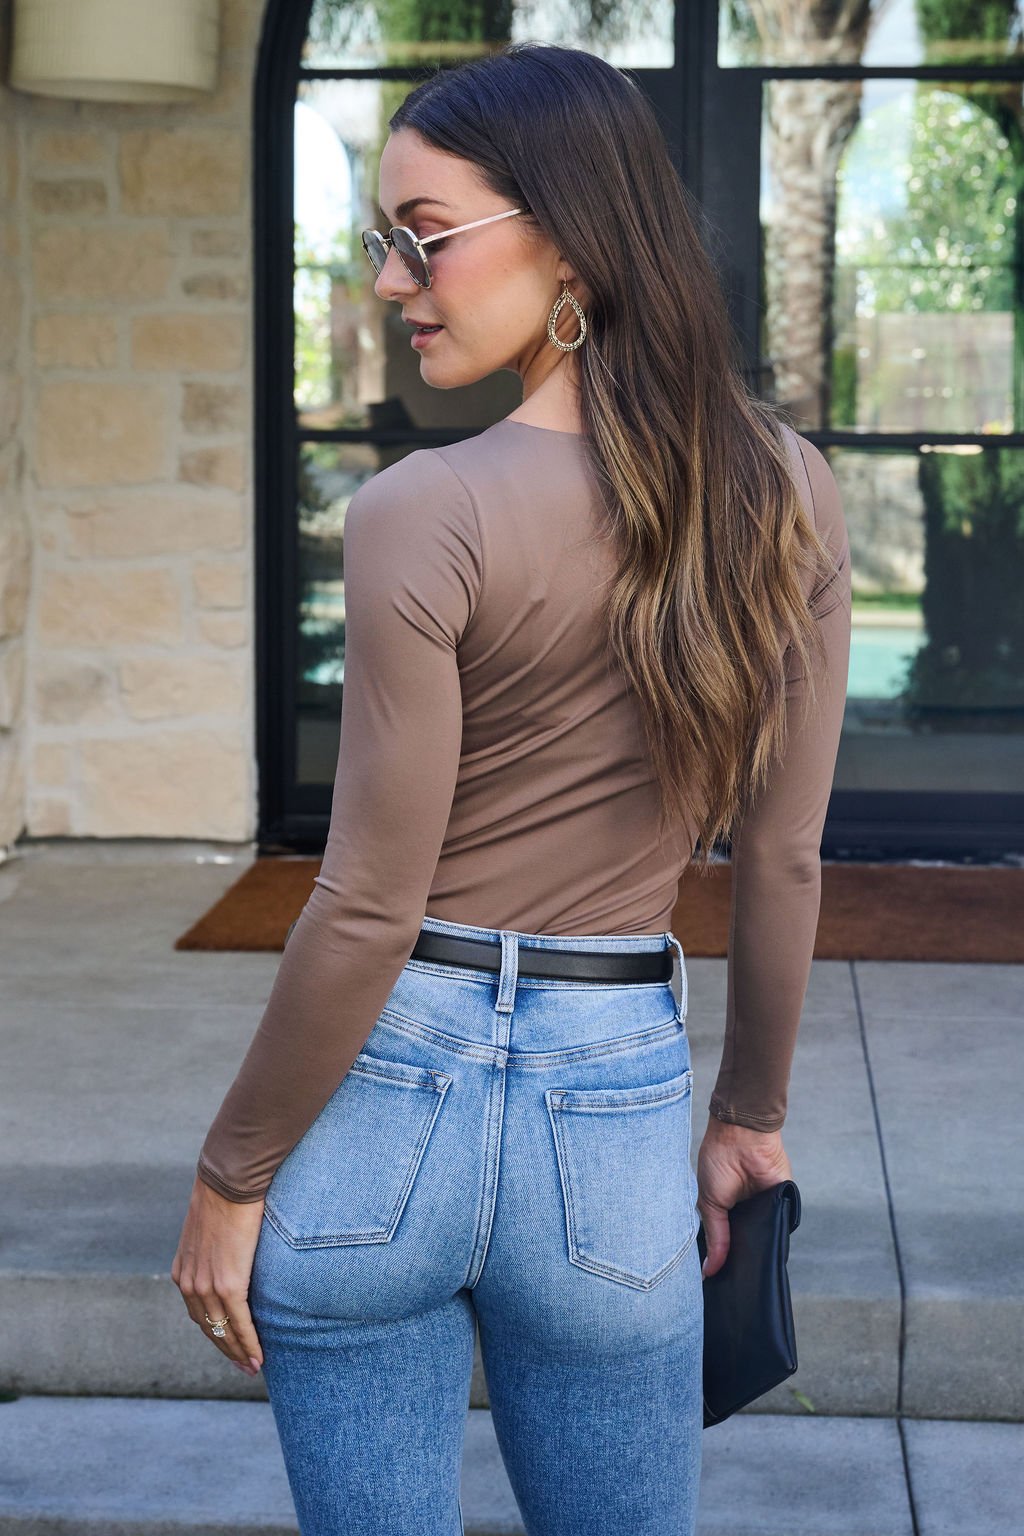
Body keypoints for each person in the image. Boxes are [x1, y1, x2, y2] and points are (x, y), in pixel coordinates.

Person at [172, 40, 851, 1536]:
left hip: (383, 1107)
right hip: (610, 1113)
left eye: (425, 236)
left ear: (568, 237)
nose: (392, 279)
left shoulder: (422, 511)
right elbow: (785, 858)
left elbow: (368, 904)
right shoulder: (789, 491)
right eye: (384, 240)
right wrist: (751, 1115)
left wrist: (232, 1175)